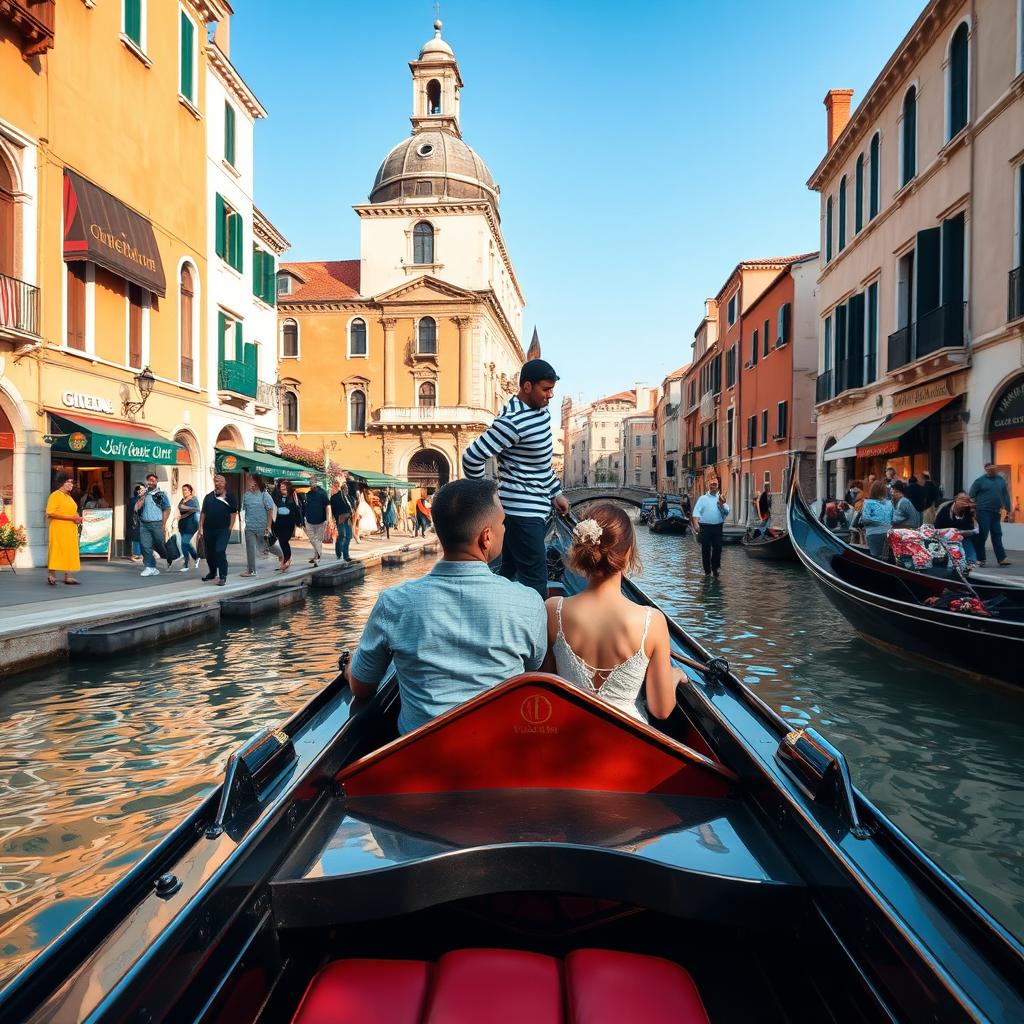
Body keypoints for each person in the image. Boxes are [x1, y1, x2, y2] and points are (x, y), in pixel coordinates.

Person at [344, 478, 547, 734]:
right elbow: (532, 667)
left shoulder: (393, 602)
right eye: (503, 523)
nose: (505, 530)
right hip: (499, 756)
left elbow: (361, 687)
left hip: (420, 755)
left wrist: (350, 666)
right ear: (486, 537)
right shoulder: (528, 601)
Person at [540, 504, 680, 723]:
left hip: (569, 737)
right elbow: (661, 709)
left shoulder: (552, 609)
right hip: (629, 742)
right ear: (627, 554)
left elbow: (549, 684)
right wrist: (675, 676)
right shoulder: (652, 621)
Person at [462, 358, 569, 598]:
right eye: (546, 389)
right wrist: (488, 499)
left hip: (535, 509)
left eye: (552, 389)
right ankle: (535, 633)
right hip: (522, 514)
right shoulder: (512, 422)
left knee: (507, 572)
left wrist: (556, 492)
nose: (550, 395)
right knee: (536, 582)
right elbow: (471, 458)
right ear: (527, 387)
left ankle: (497, 620)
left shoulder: (541, 411)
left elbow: (540, 463)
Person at [197, 474, 237, 585]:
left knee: (219, 551)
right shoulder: (208, 496)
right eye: (216, 481)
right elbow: (203, 513)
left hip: (223, 530)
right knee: (209, 553)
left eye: (220, 481)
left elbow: (233, 513)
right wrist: (200, 527)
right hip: (208, 529)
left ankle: (223, 576)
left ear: (225, 484)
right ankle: (212, 572)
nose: (218, 483)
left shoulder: (230, 496)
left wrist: (230, 528)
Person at [969, 463, 1012, 567]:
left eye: (994, 468)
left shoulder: (1001, 480)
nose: (993, 470)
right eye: (990, 469)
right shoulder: (980, 481)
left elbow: (1005, 494)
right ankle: (980, 559)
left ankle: (1002, 558)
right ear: (986, 470)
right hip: (983, 510)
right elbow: (971, 495)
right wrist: (974, 507)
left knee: (997, 534)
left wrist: (1008, 507)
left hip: (996, 511)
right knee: (982, 534)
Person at [46, 472, 82, 585]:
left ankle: (68, 576)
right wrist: (70, 517)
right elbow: (50, 513)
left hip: (70, 528)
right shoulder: (55, 495)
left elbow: (72, 511)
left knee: (70, 551)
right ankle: (52, 574)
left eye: (72, 482)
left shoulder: (69, 497)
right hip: (59, 528)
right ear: (61, 483)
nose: (71, 484)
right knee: (57, 550)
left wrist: (77, 518)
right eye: (68, 482)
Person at [135, 472, 172, 578]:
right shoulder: (143, 494)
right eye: (149, 480)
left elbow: (167, 509)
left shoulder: (161, 494)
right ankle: (150, 567)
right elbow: (137, 508)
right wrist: (142, 497)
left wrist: (163, 524)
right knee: (145, 546)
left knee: (159, 544)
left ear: (156, 482)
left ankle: (170, 557)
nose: (150, 482)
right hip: (144, 524)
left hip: (157, 524)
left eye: (153, 480)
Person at [691, 477, 730, 577]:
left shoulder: (721, 498)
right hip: (705, 527)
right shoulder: (702, 499)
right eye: (712, 485)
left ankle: (715, 568)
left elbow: (727, 511)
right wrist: (695, 524)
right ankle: (707, 571)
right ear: (708, 486)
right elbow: (696, 512)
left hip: (717, 527)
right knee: (706, 549)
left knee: (718, 548)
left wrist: (721, 504)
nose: (713, 486)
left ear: (718, 486)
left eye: (715, 485)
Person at [240, 475, 275, 577]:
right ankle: (251, 571)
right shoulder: (246, 495)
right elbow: (244, 509)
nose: (247, 482)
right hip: (250, 527)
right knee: (250, 548)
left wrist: (268, 527)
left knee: (267, 546)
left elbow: (270, 510)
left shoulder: (264, 495)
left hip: (262, 527)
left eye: (249, 480)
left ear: (255, 482)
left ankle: (282, 555)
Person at [935, 492, 979, 564]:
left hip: (961, 535)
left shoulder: (968, 511)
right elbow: (937, 527)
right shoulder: (945, 510)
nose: (963, 502)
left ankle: (971, 561)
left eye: (966, 500)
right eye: (961, 499)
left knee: (968, 539)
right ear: (955, 500)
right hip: (944, 535)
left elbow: (971, 528)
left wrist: (973, 513)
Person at [271, 479, 303, 572]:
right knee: (281, 541)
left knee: (285, 541)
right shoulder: (278, 497)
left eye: (284, 488)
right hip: (279, 522)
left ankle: (287, 559)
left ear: (288, 488)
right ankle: (285, 559)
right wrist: (276, 485)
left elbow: (297, 509)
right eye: (281, 488)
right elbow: (273, 495)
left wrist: (299, 522)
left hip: (289, 523)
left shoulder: (293, 497)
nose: (282, 489)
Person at [861, 479, 893, 559]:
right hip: (889, 533)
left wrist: (878, 523)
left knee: (875, 558)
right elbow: (892, 519)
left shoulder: (868, 503)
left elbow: (865, 521)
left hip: (873, 533)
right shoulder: (889, 503)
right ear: (884, 491)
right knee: (888, 559)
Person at [302, 477, 330, 567]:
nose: (312, 484)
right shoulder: (308, 494)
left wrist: (328, 519)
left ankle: (317, 558)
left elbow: (328, 506)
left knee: (317, 540)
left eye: (313, 482)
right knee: (312, 539)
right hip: (309, 521)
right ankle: (317, 555)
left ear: (316, 483)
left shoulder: (322, 493)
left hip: (321, 521)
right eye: (310, 482)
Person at [177, 484, 201, 571]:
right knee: (187, 543)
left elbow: (197, 509)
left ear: (190, 491)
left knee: (184, 543)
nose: (184, 491)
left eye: (186, 490)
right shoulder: (182, 500)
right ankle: (196, 557)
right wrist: (186, 509)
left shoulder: (194, 499)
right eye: (183, 490)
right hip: (182, 524)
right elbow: (180, 507)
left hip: (191, 524)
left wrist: (184, 508)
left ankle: (186, 564)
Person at [329, 477, 354, 562]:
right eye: (345, 488)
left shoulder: (349, 497)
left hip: (348, 518)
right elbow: (332, 509)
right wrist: (332, 519)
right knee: (342, 535)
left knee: (349, 536)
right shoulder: (335, 497)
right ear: (342, 489)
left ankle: (344, 553)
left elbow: (352, 507)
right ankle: (340, 553)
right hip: (341, 518)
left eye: (347, 488)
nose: (347, 489)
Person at [126, 484, 144, 561]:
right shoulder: (136, 500)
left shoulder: (133, 499)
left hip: (136, 521)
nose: (144, 491)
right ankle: (136, 555)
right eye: (143, 490)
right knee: (137, 538)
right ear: (138, 491)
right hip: (136, 522)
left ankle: (139, 554)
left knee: (138, 538)